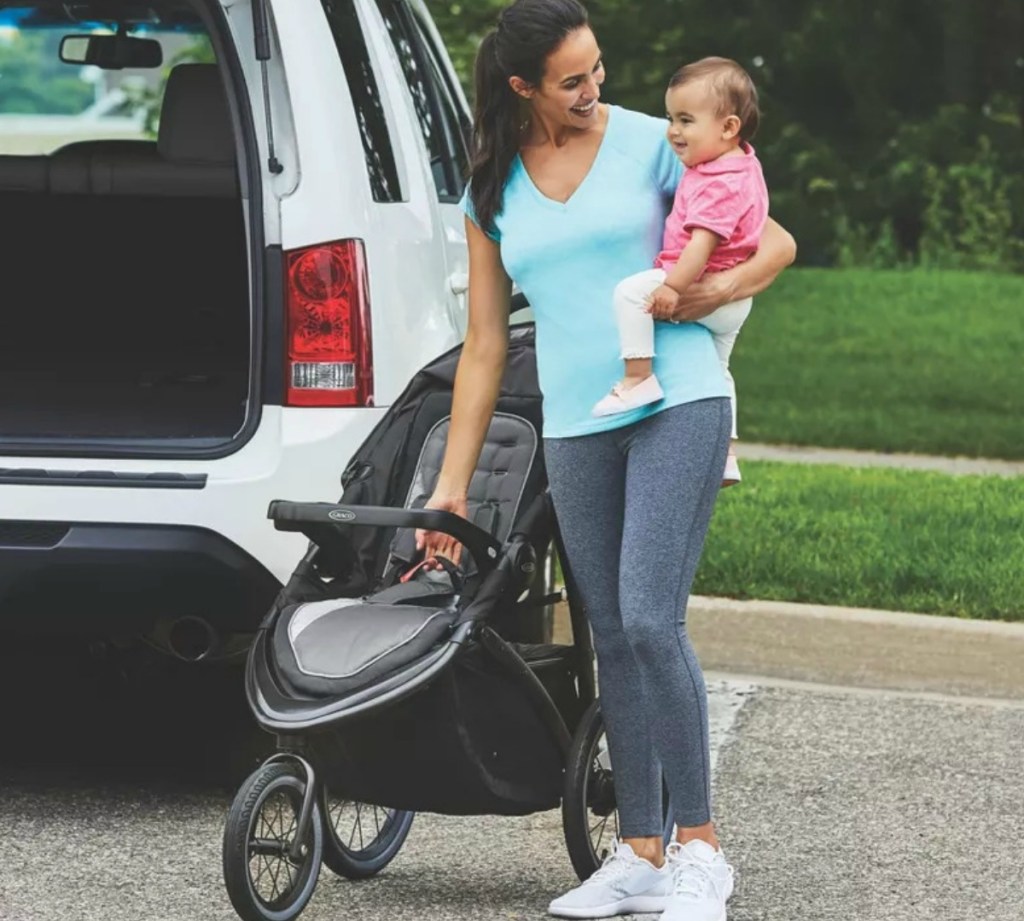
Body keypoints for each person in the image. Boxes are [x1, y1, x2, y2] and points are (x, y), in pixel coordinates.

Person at [415, 2, 795, 919]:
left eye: (598, 68)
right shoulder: (490, 190)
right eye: (573, 79)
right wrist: (450, 486)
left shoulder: (656, 142)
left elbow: (773, 238)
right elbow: (483, 348)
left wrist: (715, 286)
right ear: (523, 88)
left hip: (680, 400)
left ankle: (703, 850)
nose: (596, 89)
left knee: (652, 618)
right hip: (577, 424)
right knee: (613, 635)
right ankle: (641, 852)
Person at [592, 56, 768, 488]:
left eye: (686, 120)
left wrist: (671, 287)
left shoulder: (716, 182)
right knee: (719, 370)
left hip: (702, 281)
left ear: (728, 127)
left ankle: (638, 378)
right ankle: (725, 452)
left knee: (630, 295)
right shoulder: (740, 164)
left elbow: (700, 245)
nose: (673, 131)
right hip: (735, 300)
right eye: (671, 118)